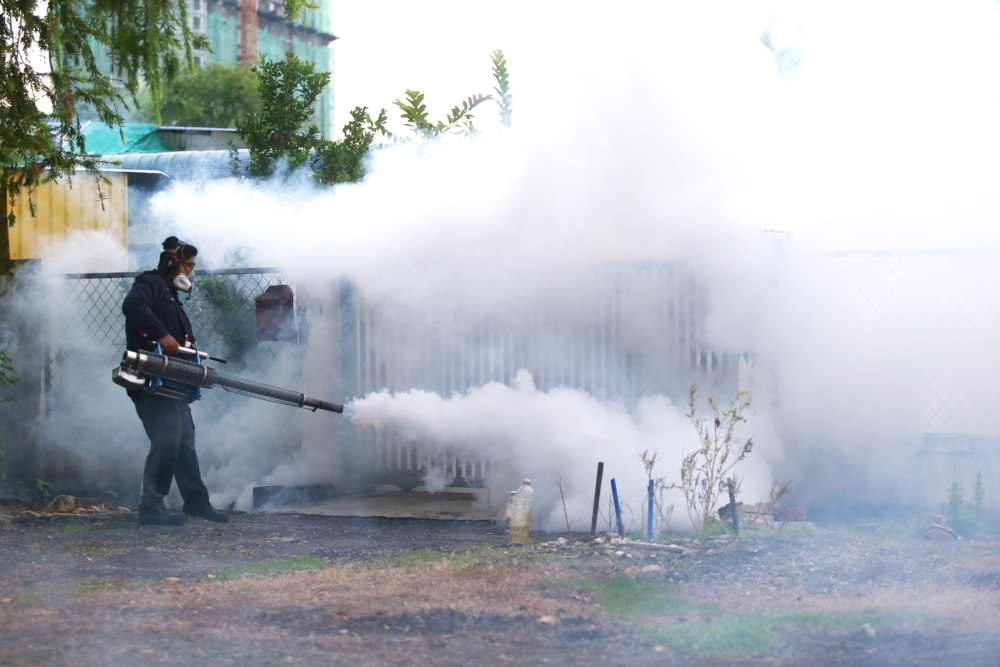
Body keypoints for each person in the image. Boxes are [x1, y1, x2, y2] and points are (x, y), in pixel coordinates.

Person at [122, 237, 229, 526]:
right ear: (172, 262)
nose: (191, 272)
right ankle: (151, 508)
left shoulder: (171, 295)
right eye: (188, 265)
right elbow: (133, 305)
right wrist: (161, 334)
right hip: (152, 381)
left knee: (184, 441)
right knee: (167, 440)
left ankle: (197, 503)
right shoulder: (151, 284)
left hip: (172, 383)